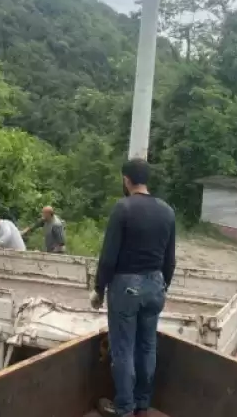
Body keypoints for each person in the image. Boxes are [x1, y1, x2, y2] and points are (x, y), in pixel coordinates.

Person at [90, 159, 175, 417]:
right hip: (156, 284)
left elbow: (108, 257)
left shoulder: (123, 208)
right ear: (146, 180)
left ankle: (124, 408)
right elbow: (170, 259)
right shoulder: (167, 211)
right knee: (147, 346)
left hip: (126, 286)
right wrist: (163, 285)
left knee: (123, 349)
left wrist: (98, 289)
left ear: (126, 179)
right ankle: (142, 404)